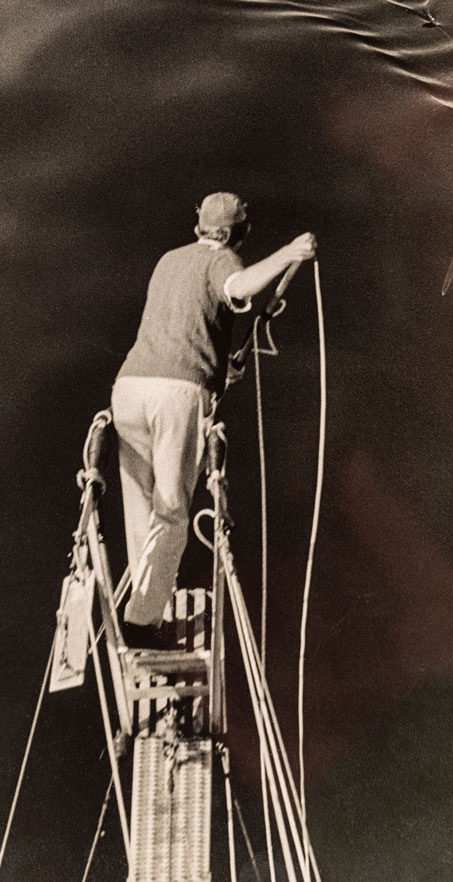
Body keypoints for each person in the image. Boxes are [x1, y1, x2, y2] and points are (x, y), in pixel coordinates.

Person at [111, 192, 316, 648]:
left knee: (141, 510)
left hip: (129, 387)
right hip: (174, 396)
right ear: (229, 234)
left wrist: (221, 369)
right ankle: (142, 623)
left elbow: (183, 324)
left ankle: (147, 606)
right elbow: (236, 289)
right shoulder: (221, 259)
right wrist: (289, 254)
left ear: (199, 225)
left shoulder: (167, 261)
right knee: (172, 512)